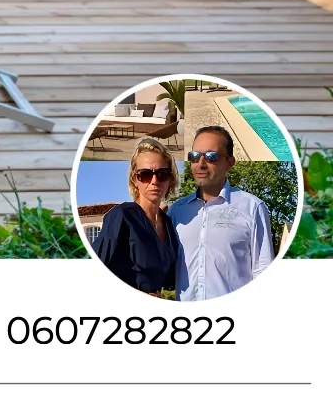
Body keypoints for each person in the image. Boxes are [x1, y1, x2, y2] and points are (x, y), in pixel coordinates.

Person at [167, 125, 276, 300]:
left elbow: (262, 269)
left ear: (229, 163)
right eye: (194, 156)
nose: (200, 164)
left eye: (211, 157)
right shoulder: (177, 212)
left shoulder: (252, 207)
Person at [91, 137, 181, 296]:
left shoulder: (168, 223)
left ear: (170, 180)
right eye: (145, 174)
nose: (154, 181)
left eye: (162, 174)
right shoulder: (122, 216)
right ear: (135, 179)